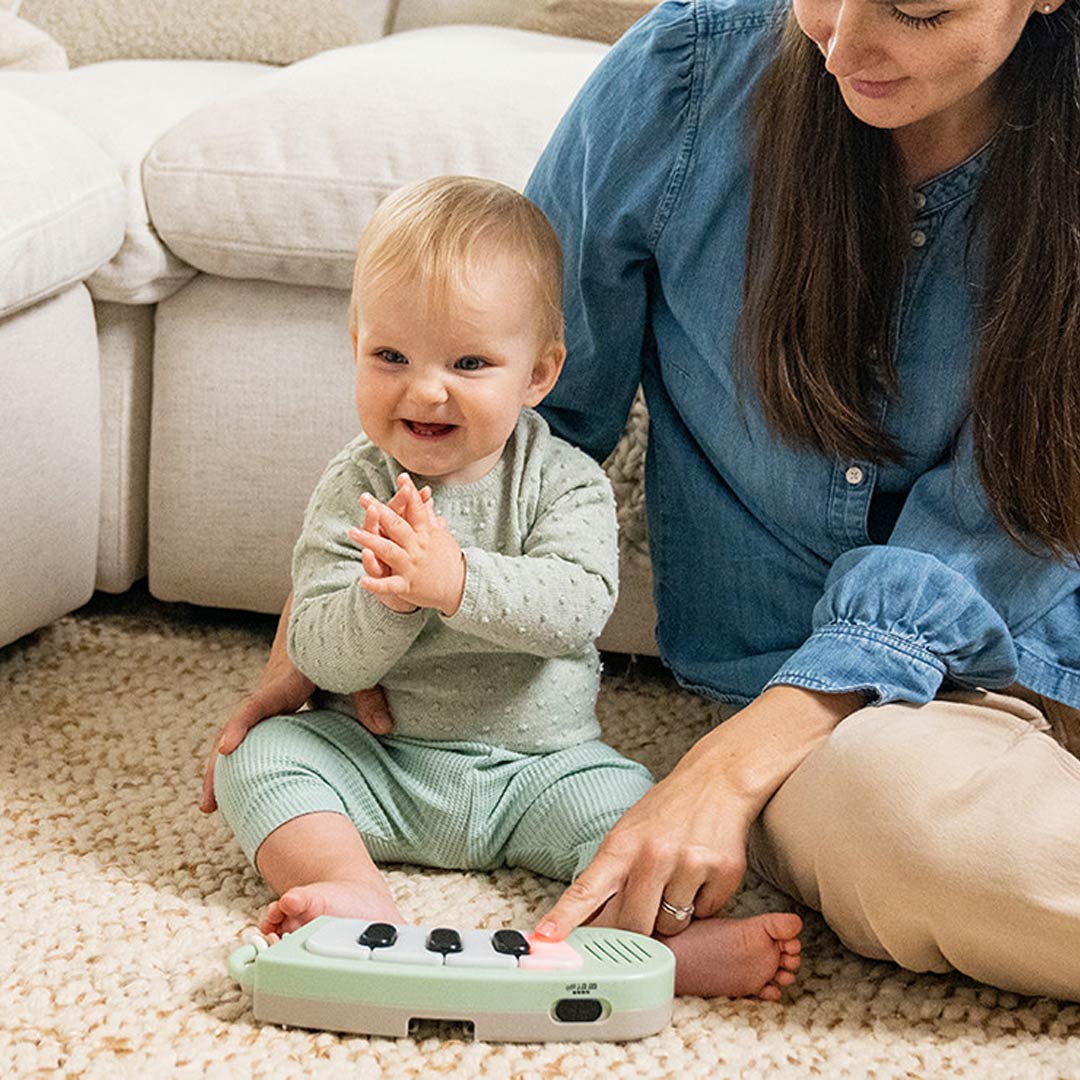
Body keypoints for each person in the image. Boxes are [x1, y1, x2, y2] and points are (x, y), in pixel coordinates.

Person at [202, 0, 1080, 1002]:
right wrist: (345, 597)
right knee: (917, 839)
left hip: (1039, 619)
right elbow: (521, 399)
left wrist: (721, 773)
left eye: (915, 8)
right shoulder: (688, 75)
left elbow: (1002, 523)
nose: (841, 42)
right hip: (849, 714)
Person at [208, 174, 803, 1001]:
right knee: (259, 756)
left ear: (537, 373)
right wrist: (384, 604)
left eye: (469, 363)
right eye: (391, 356)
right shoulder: (355, 484)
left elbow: (575, 608)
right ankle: (351, 891)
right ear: (355, 345)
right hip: (384, 764)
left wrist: (454, 582)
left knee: (637, 811)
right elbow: (320, 652)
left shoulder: (565, 481)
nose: (425, 389)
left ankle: (656, 946)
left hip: (542, 770)